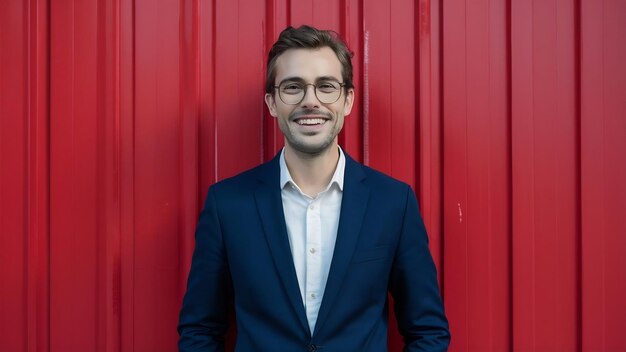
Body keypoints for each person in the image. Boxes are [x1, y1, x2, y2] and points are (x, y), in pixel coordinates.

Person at [178, 25, 450, 351]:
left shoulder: (393, 203)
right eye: (293, 87)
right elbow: (200, 330)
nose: (311, 101)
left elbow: (428, 331)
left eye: (326, 86)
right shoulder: (228, 205)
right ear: (272, 102)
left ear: (347, 100)